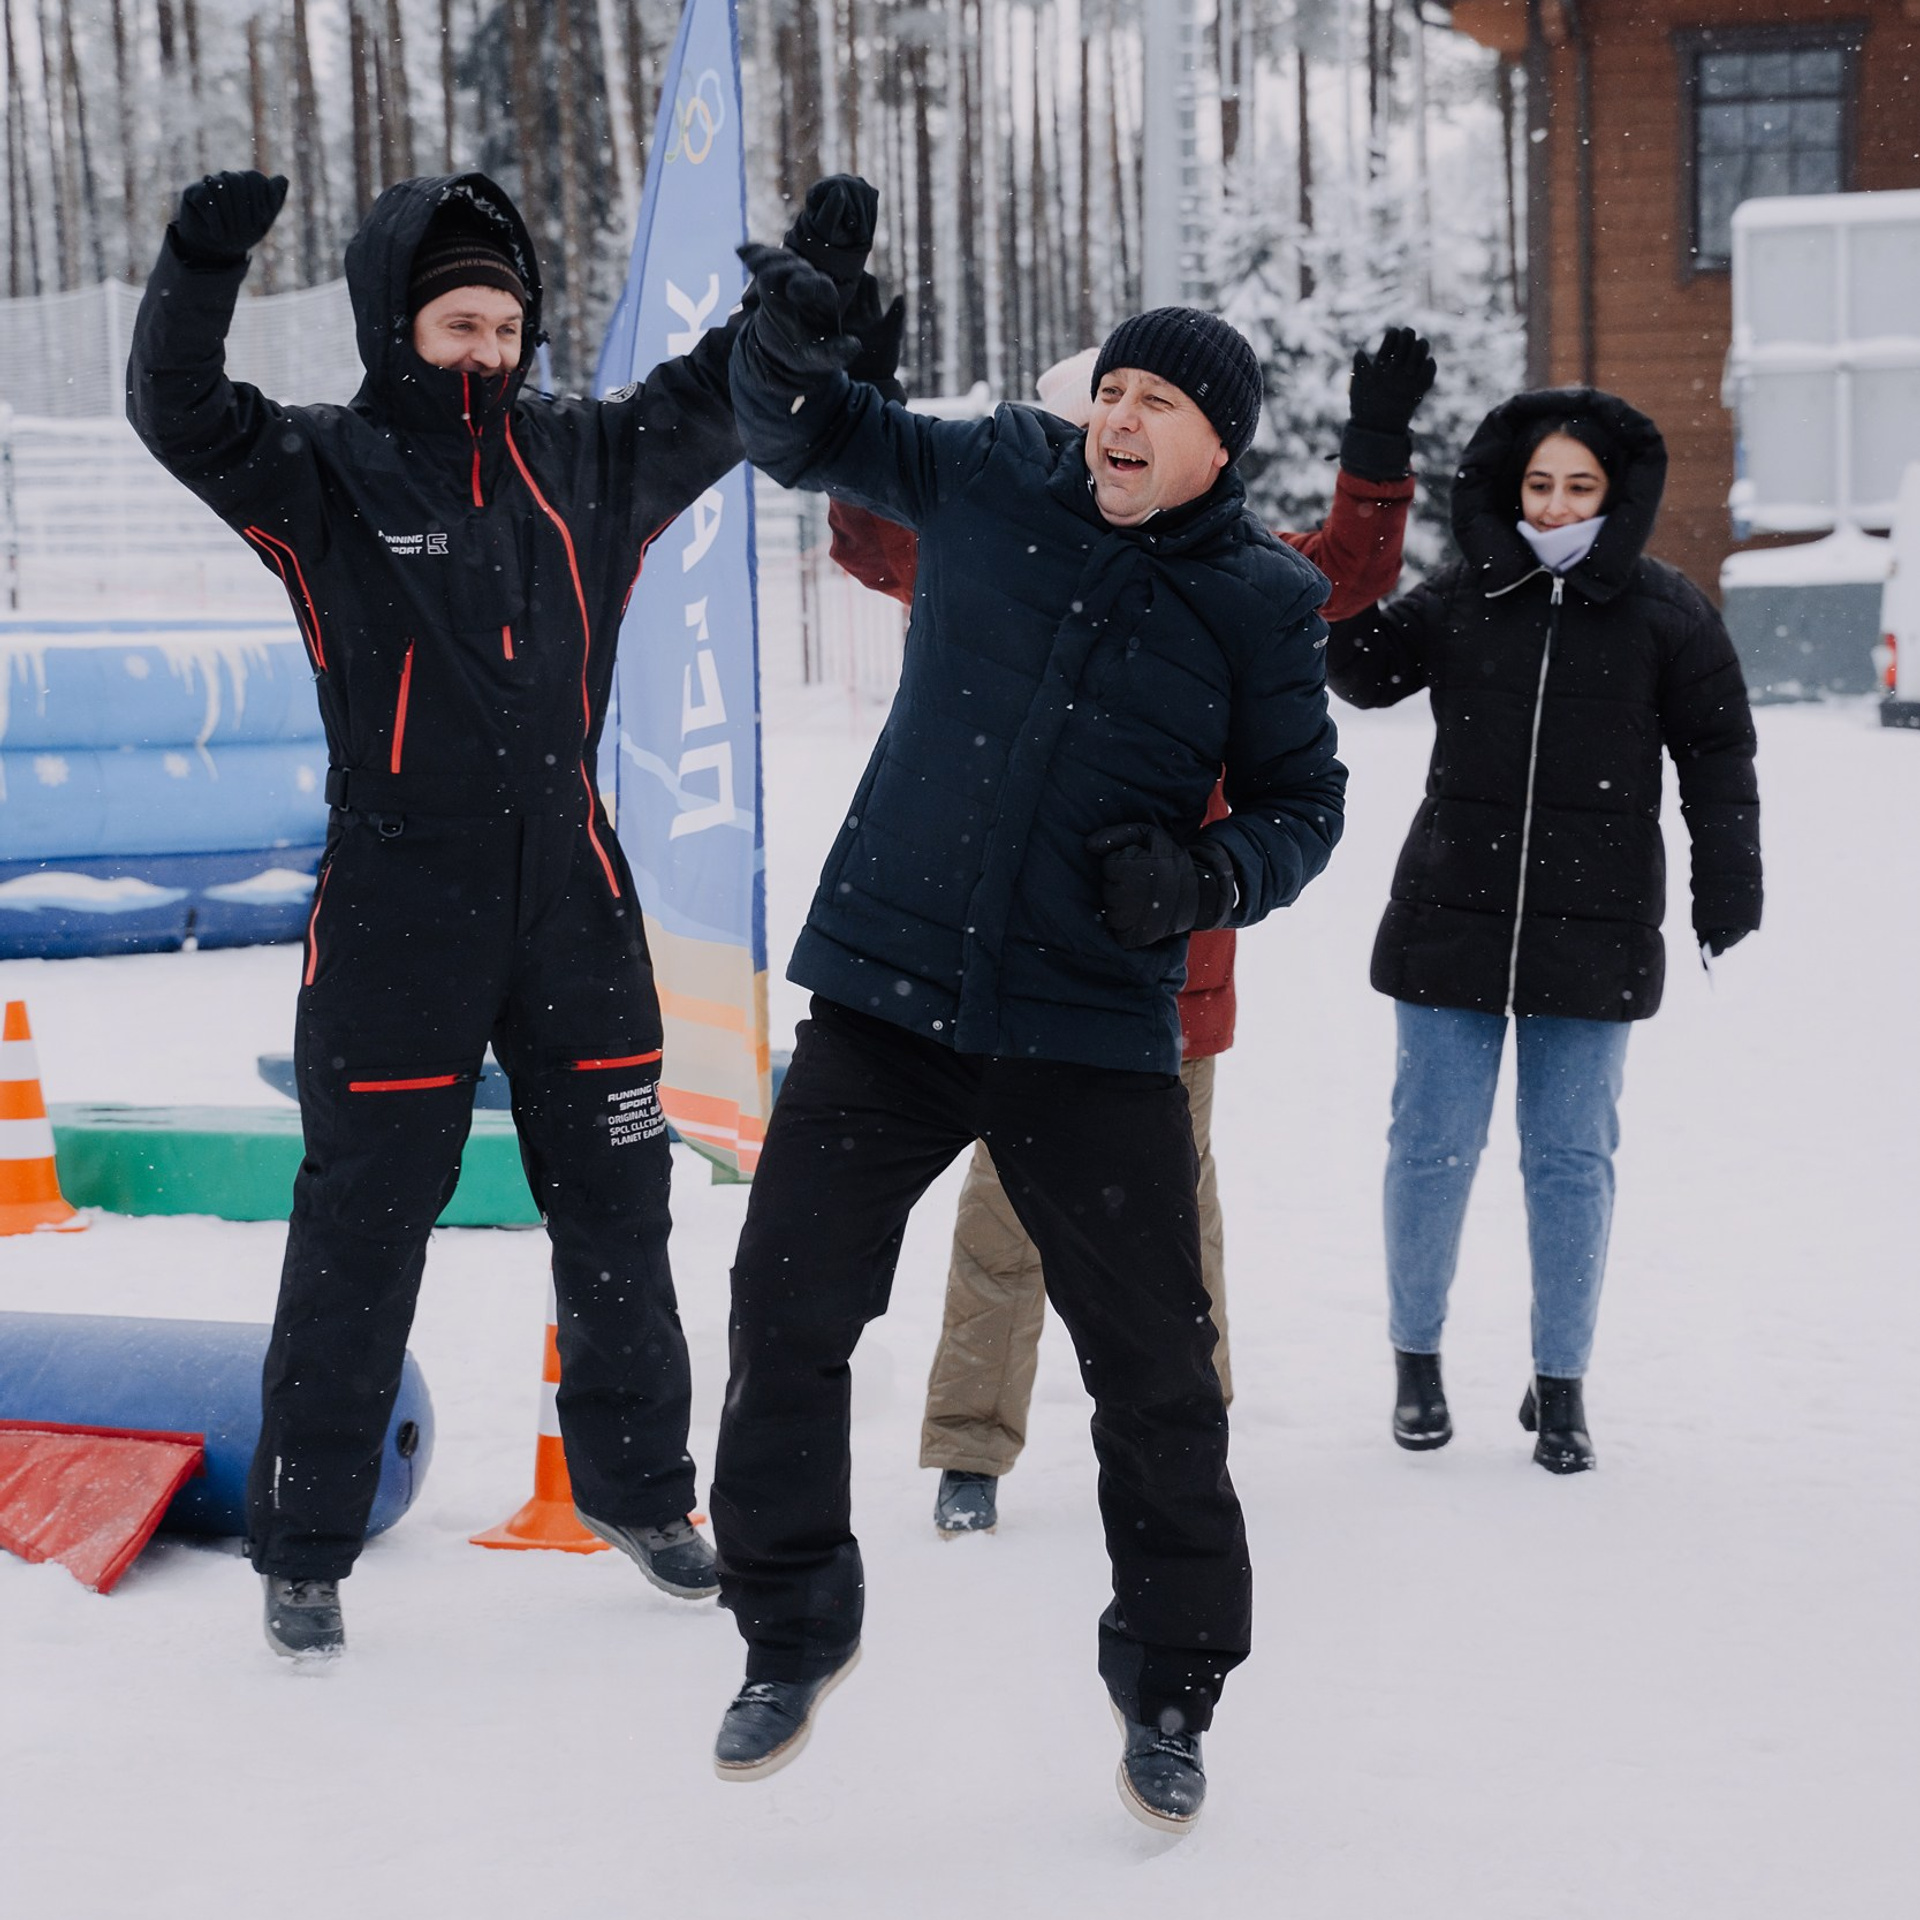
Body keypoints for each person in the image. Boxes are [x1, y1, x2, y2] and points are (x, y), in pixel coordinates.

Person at [126, 167, 872, 1657]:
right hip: (400, 900)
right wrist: (201, 260)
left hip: (574, 896)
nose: (486, 348)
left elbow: (715, 395)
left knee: (617, 1206)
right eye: (458, 321)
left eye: (506, 322)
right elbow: (179, 409)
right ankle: (309, 1539)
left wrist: (799, 313)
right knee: (363, 1225)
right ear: (396, 327)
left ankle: (645, 1494)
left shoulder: (586, 460)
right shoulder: (323, 470)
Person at [709, 232, 1348, 1833]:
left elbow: (1306, 806)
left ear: (1218, 443)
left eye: (1158, 402)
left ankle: (1173, 1685)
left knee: (1156, 1374)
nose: (1119, 418)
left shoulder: (1262, 598)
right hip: (888, 993)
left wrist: (1210, 874)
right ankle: (790, 1624)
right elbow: (805, 435)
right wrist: (784, 344)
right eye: (1110, 388)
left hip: (1090, 1029)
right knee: (786, 1303)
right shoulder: (997, 475)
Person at [827, 331, 1432, 1537]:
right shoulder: (1000, 542)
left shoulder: (1229, 574)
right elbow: (876, 533)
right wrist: (865, 402)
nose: (1102, 447)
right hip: (1008, 959)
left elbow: (1341, 577)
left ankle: (1184, 1427)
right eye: (1086, 421)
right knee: (1007, 1208)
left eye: (1138, 418)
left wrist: (1373, 447)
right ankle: (970, 1445)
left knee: (1170, 1222)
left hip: (1171, 973)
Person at [1324, 389, 1762, 1471]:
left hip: (1595, 924)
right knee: (1430, 1151)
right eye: (1539, 485)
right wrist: (1375, 463)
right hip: (1449, 918)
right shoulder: (1467, 595)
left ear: (1615, 498)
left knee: (1571, 1161)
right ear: (1510, 489)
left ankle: (1560, 1384)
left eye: (1580, 488)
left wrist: (1730, 875)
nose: (1557, 506)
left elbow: (1719, 759)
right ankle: (1415, 1361)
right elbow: (1363, 672)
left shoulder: (1668, 612)